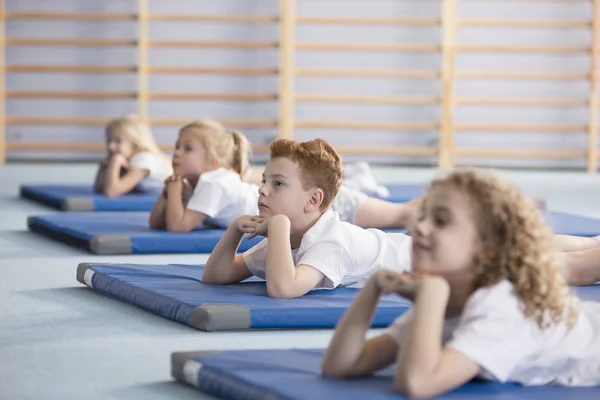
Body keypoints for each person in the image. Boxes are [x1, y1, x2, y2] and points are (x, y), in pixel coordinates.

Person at [321, 168, 600, 398]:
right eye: (423, 215)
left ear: (486, 247)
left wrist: (431, 295)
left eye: (441, 221)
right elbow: (342, 365)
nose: (420, 227)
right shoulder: (453, 297)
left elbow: (416, 384)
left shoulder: (500, 306)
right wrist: (372, 289)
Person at [93, 115, 171, 197]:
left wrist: (115, 163)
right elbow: (99, 189)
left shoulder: (143, 160)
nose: (111, 146)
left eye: (118, 141)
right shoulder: (129, 160)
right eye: (109, 140)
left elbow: (111, 192)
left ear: (135, 144)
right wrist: (104, 168)